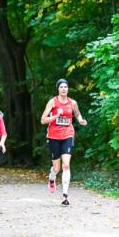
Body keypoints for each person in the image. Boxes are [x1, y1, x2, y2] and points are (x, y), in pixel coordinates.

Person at [39, 78, 87, 207]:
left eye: (66, 87)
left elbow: (77, 114)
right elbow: (43, 120)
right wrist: (55, 116)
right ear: (58, 89)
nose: (64, 89)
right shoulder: (52, 102)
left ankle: (65, 195)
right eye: (61, 87)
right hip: (54, 136)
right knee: (57, 168)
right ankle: (52, 177)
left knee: (66, 165)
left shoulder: (73, 103)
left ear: (68, 89)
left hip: (68, 135)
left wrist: (81, 120)